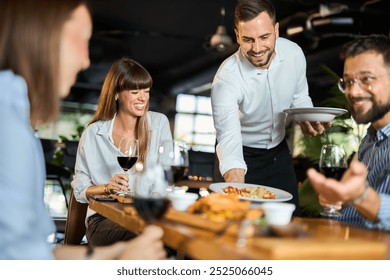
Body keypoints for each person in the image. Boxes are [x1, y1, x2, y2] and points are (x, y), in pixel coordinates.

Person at [0, 0, 166, 260]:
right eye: (82, 40)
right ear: (46, 36)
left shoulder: (14, 117)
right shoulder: (8, 128)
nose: (85, 60)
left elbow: (30, 254)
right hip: (106, 220)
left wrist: (115, 255)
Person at [210, 0, 329, 213]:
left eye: (264, 37)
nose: (257, 49)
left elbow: (300, 96)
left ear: (276, 30)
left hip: (278, 154)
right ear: (237, 36)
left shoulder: (294, 54)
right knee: (234, 224)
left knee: (288, 222)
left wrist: (308, 117)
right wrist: (236, 185)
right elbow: (229, 138)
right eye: (247, 40)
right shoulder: (226, 78)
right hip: (240, 153)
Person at [71, 57, 173, 246]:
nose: (143, 98)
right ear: (116, 94)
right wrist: (106, 188)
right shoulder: (93, 133)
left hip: (146, 216)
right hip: (103, 220)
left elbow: (165, 177)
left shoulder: (159, 124)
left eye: (147, 91)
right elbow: (79, 187)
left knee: (172, 238)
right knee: (151, 238)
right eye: (135, 92)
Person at [307, 34, 390, 231]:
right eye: (348, 82)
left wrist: (360, 196)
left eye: (367, 79)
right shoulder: (371, 138)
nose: (353, 92)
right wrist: (340, 199)